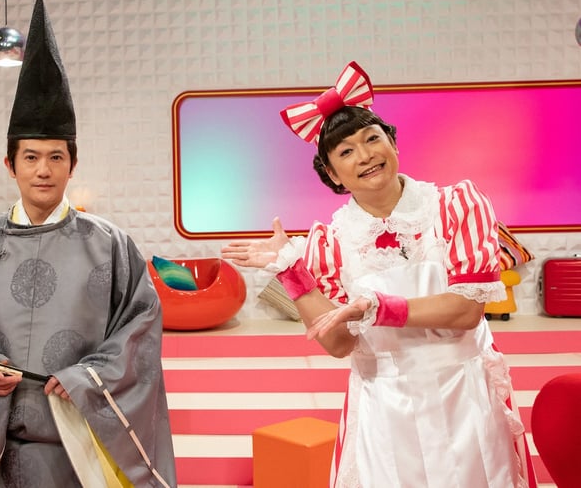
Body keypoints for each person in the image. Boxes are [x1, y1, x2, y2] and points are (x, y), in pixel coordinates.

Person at [0, 0, 176, 487]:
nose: (43, 170)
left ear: (73, 164)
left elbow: (140, 329)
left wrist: (87, 378)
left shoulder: (110, 244)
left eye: (55, 157)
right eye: (30, 157)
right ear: (10, 165)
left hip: (78, 436)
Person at [222, 61, 536, 487]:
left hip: (464, 398)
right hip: (384, 408)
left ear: (393, 142)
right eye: (346, 152)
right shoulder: (330, 242)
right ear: (331, 174)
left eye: (372, 139)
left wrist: (378, 308)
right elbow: (338, 343)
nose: (366, 155)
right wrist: (291, 271)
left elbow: (466, 311)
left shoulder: (456, 206)